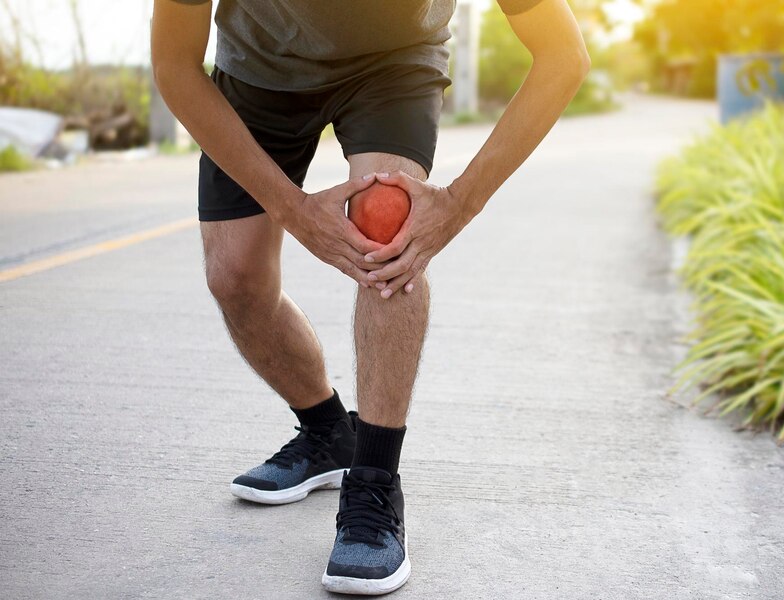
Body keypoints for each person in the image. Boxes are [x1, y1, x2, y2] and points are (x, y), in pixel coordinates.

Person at [151, 0, 588, 594]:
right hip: (258, 73)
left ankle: (375, 478)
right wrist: (292, 209)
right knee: (236, 281)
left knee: (389, 235)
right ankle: (329, 432)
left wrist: (458, 203)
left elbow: (563, 55)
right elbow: (174, 65)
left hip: (392, 62)